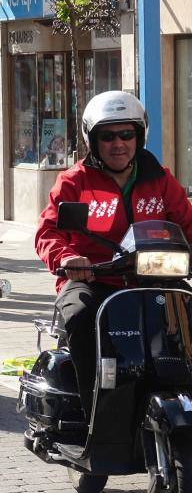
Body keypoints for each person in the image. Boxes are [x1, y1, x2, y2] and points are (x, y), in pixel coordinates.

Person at [35, 90, 192, 420]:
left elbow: (187, 223)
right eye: (107, 136)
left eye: (127, 134)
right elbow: (47, 232)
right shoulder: (74, 181)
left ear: (139, 136)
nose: (118, 143)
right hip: (94, 279)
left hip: (151, 279)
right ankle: (95, 411)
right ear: (92, 140)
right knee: (78, 315)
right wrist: (66, 259)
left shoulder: (159, 178)